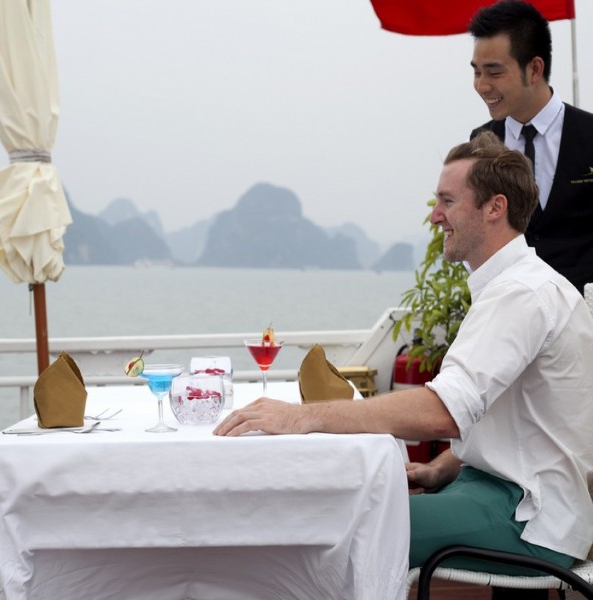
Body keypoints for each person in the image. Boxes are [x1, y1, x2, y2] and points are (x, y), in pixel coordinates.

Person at [215, 132, 593, 581]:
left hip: (528, 516)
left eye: (447, 202)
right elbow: (519, 422)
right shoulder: (519, 287)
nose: (435, 217)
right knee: (349, 513)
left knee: (341, 530)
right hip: (505, 493)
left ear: (495, 207)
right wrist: (439, 468)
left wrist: (303, 417)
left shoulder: (521, 295)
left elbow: (443, 413)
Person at [469, 0, 593, 296]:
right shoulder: (480, 144)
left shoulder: (590, 135)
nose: (482, 86)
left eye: (494, 72)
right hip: (511, 318)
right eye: (476, 72)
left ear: (534, 69)